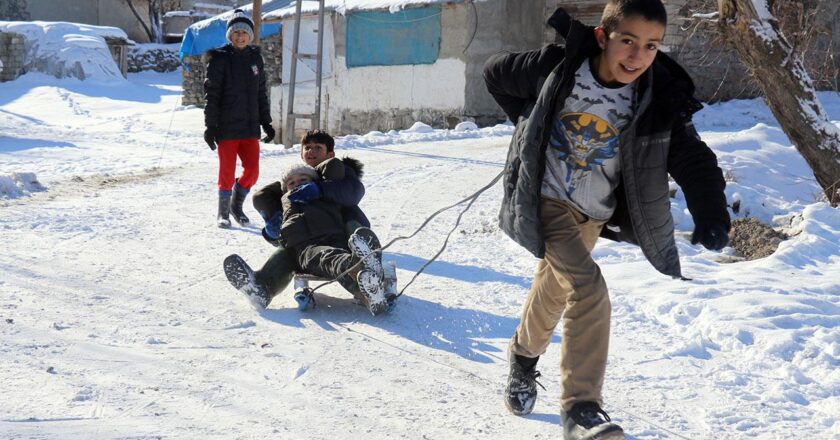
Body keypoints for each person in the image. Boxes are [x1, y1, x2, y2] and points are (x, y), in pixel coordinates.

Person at [483, 2, 730, 439]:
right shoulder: (557, 68)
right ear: (603, 37)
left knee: (556, 287)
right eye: (628, 41)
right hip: (549, 200)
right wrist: (527, 126)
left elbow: (692, 157)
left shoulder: (656, 97)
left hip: (594, 211)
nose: (637, 56)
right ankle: (581, 408)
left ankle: (522, 358)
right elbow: (495, 74)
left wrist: (710, 210)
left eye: (651, 45)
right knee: (587, 286)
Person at [223, 160, 390, 315]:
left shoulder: (325, 194)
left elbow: (340, 177)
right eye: (291, 183)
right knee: (309, 256)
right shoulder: (285, 203)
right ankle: (261, 288)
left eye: (304, 179)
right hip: (303, 247)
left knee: (330, 255)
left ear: (315, 181)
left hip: (334, 238)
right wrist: (271, 233)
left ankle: (365, 279)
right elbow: (282, 232)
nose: (297, 184)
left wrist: (320, 187)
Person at [203, 9, 275, 228]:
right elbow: (211, 95)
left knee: (252, 171)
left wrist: (266, 122)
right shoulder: (220, 60)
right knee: (226, 171)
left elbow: (260, 93)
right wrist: (210, 126)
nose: (240, 36)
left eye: (244, 32)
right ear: (230, 36)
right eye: (236, 33)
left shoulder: (255, 58)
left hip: (250, 125)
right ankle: (223, 213)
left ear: (250, 36)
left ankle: (236, 205)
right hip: (226, 127)